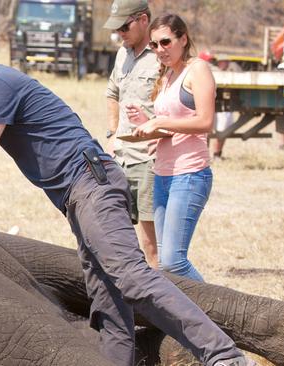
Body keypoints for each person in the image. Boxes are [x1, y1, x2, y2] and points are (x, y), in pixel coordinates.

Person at [0, 26, 250, 366]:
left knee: (131, 278)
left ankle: (224, 356)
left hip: (91, 185)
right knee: (108, 298)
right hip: (82, 192)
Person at [128, 14, 214, 282]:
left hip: (189, 175)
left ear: (183, 38)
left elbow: (205, 121)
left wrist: (161, 121)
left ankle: (219, 316)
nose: (159, 50)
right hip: (163, 174)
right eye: (154, 45)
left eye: (165, 42)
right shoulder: (167, 76)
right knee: (165, 265)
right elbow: (175, 127)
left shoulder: (197, 69)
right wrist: (148, 125)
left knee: (174, 262)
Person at [104, 0, 159, 268]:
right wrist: (113, 134)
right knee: (120, 236)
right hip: (122, 158)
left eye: (125, 26)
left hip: (150, 160)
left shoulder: (162, 54)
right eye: (117, 29)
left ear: (144, 20)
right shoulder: (121, 54)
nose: (121, 34)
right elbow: (112, 93)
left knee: (152, 244)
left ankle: (161, 302)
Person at [208, 55, 243, 160]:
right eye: (220, 62)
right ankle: (205, 155)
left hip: (225, 107)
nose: (221, 64)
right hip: (212, 106)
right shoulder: (213, 71)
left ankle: (217, 154)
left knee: (222, 132)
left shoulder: (233, 71)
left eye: (224, 62)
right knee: (207, 131)